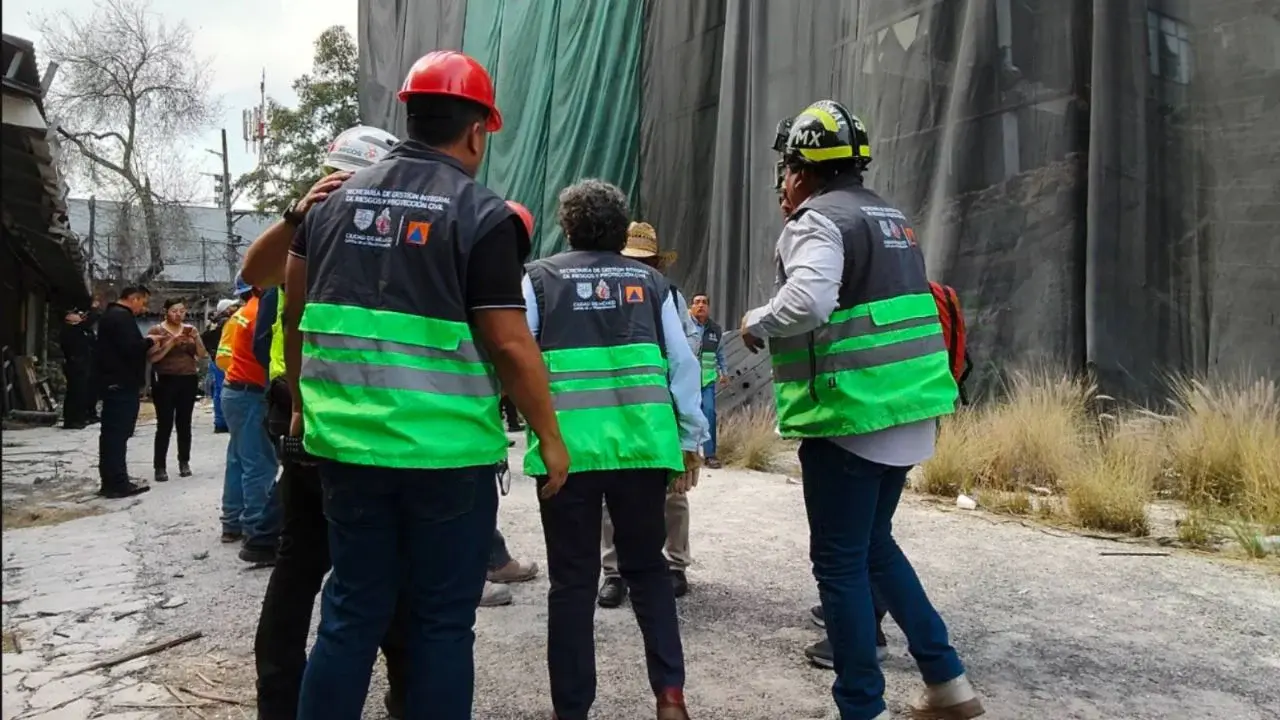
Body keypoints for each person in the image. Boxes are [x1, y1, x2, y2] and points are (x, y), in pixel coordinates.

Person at [285, 50, 567, 719]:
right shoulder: (481, 213)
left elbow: (298, 315)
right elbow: (506, 340)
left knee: (350, 614)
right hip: (446, 459)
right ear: (478, 131)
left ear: (409, 114)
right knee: (442, 623)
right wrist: (551, 438)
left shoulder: (329, 204)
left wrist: (301, 406)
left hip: (348, 447)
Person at [741, 100, 983, 720]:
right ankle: (947, 682)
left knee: (840, 563)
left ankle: (860, 706)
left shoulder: (816, 221)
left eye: (786, 168)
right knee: (876, 546)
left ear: (799, 170)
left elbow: (809, 301)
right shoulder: (891, 217)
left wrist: (756, 322)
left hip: (852, 418)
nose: (783, 182)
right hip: (906, 410)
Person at [524, 179, 707, 720]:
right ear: (621, 229)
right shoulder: (656, 287)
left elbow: (521, 360)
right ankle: (669, 695)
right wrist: (691, 440)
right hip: (643, 452)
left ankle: (572, 709)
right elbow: (683, 366)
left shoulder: (539, 280)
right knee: (647, 569)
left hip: (568, 457)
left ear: (567, 226)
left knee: (572, 582)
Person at [598, 221, 697, 609]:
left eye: (645, 261)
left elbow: (685, 356)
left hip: (661, 409)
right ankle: (613, 571)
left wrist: (690, 428)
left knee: (674, 491)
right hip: (615, 407)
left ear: (658, 264)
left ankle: (675, 564)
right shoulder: (602, 296)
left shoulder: (671, 296)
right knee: (610, 489)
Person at [216, 276, 280, 564]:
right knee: (260, 465)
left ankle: (232, 521)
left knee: (239, 459)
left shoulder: (246, 311)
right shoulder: (260, 312)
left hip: (235, 392)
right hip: (251, 394)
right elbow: (268, 354)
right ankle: (257, 531)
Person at [95, 285, 155, 499]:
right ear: (134, 298)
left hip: (114, 382)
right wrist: (149, 342)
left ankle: (112, 480)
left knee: (113, 434)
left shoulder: (112, 315)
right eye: (143, 302)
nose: (143, 307)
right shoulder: (121, 317)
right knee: (117, 434)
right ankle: (117, 483)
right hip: (120, 383)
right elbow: (131, 348)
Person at [147, 298, 206, 482]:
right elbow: (153, 358)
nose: (178, 314)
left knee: (184, 422)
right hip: (165, 379)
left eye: (181, 311)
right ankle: (160, 466)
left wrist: (196, 337)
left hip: (187, 378)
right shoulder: (157, 331)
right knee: (164, 423)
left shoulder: (190, 330)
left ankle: (184, 461)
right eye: (174, 310)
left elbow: (202, 354)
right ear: (166, 311)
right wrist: (171, 342)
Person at [687, 293, 728, 468]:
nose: (701, 305)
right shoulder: (684, 327)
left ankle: (710, 455)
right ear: (691, 306)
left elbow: (720, 354)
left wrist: (724, 372)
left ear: (709, 307)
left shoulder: (715, 330)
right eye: (697, 302)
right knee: (686, 415)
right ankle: (687, 454)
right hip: (687, 380)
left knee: (709, 413)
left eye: (704, 302)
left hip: (706, 381)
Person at [60, 303, 98, 430]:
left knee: (82, 393)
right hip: (75, 364)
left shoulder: (81, 330)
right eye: (75, 314)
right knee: (75, 393)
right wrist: (93, 309)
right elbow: (88, 322)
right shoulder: (69, 330)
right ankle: (72, 420)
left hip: (83, 364)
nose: (79, 316)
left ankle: (81, 417)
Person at [202, 299, 237, 434]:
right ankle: (223, 421)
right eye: (233, 306)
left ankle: (220, 421)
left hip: (216, 360)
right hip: (225, 360)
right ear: (227, 309)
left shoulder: (214, 323)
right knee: (225, 390)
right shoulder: (226, 322)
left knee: (218, 390)